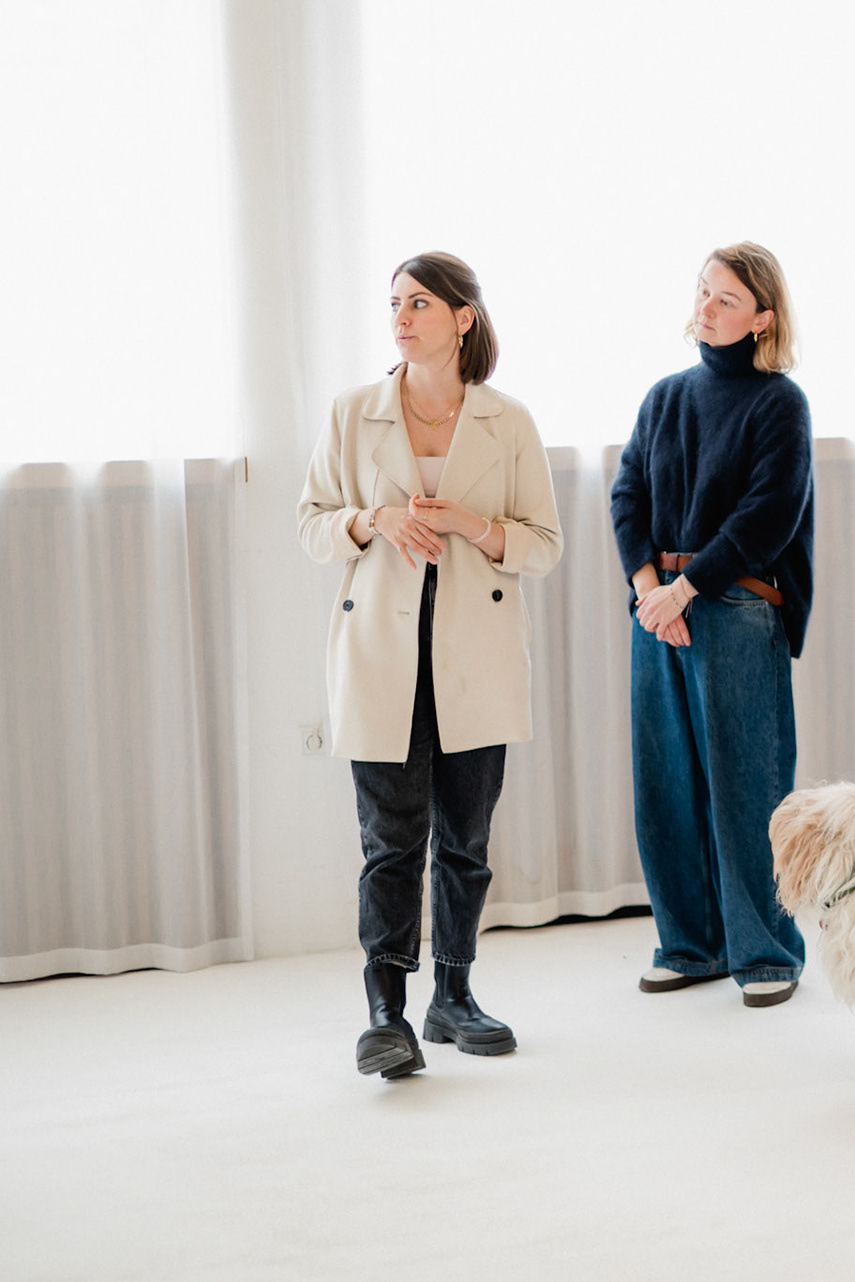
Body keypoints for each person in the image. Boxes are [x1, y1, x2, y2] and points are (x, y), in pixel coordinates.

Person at [298, 251, 564, 1078]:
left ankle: (453, 996)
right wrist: (372, 520)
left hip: (476, 654)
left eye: (419, 303)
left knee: (466, 840)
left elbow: (545, 545)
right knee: (390, 843)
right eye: (395, 304)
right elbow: (311, 525)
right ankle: (386, 1014)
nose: (402, 318)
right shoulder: (353, 413)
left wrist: (473, 526)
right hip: (381, 651)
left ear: (463, 317)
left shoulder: (507, 421)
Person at [610, 242, 813, 1010]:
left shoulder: (780, 403)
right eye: (703, 291)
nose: (706, 307)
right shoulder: (664, 397)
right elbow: (627, 495)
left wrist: (685, 589)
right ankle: (690, 944)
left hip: (734, 605)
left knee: (747, 787)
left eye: (725, 298)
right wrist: (650, 592)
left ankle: (765, 952)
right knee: (664, 785)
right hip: (657, 610)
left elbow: (769, 513)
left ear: (762, 318)